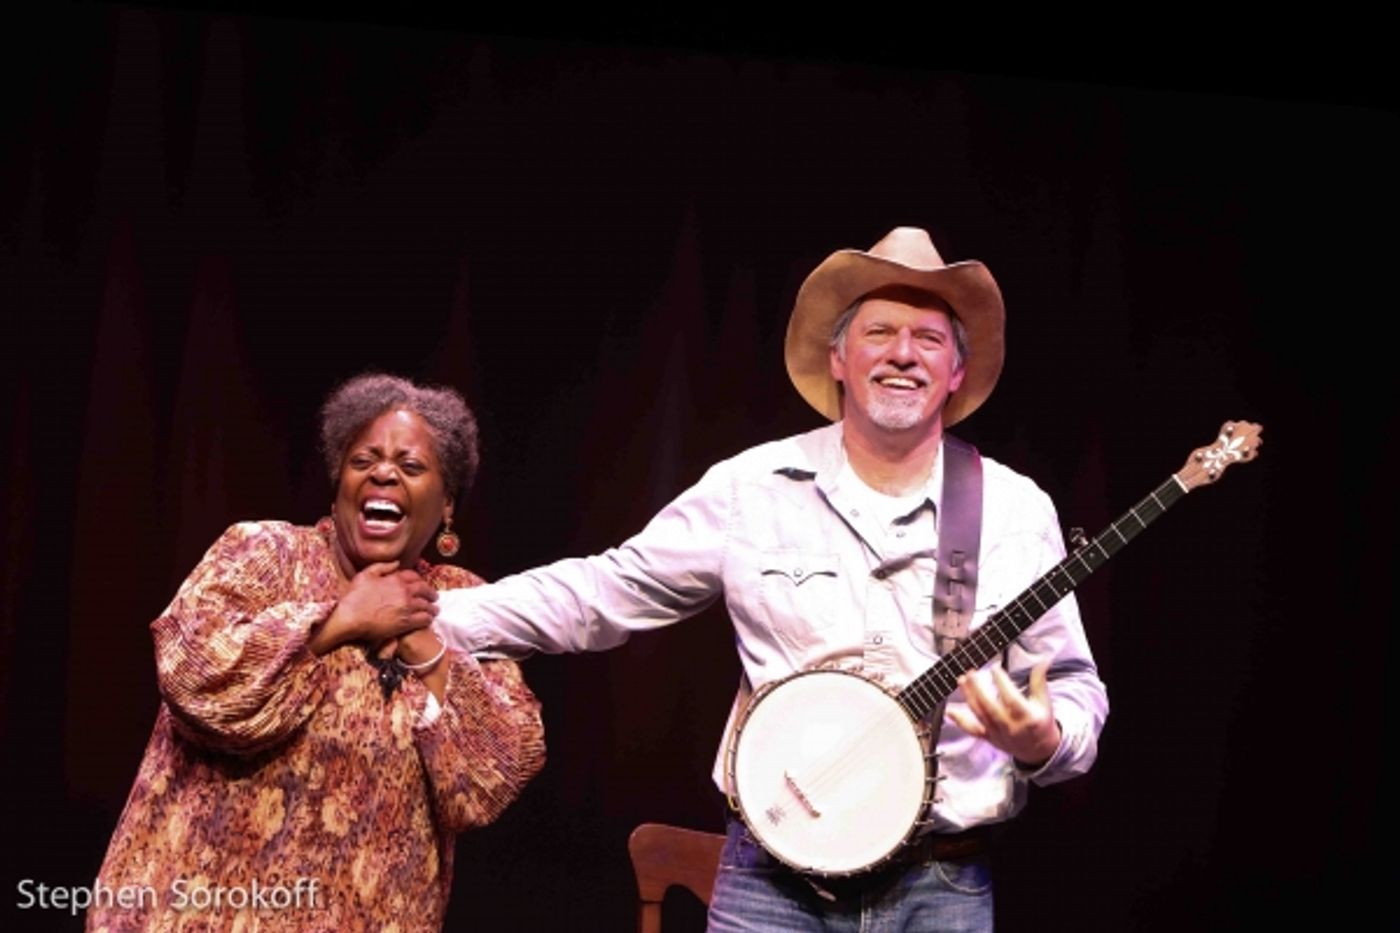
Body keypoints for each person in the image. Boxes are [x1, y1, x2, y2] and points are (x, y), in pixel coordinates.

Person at [436, 227, 1108, 931]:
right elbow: (601, 591)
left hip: (940, 884)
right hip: (769, 883)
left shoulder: (1014, 509)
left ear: (957, 372)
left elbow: (1072, 686)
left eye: (929, 338)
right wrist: (438, 618)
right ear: (839, 358)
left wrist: (1044, 738)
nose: (903, 353)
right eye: (879, 331)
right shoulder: (751, 488)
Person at [88, 373, 545, 932]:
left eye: (411, 465)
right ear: (338, 483)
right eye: (364, 460)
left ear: (446, 503)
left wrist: (420, 637)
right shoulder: (264, 554)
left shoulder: (464, 603)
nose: (384, 472)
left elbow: (487, 781)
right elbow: (197, 682)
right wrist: (342, 619)